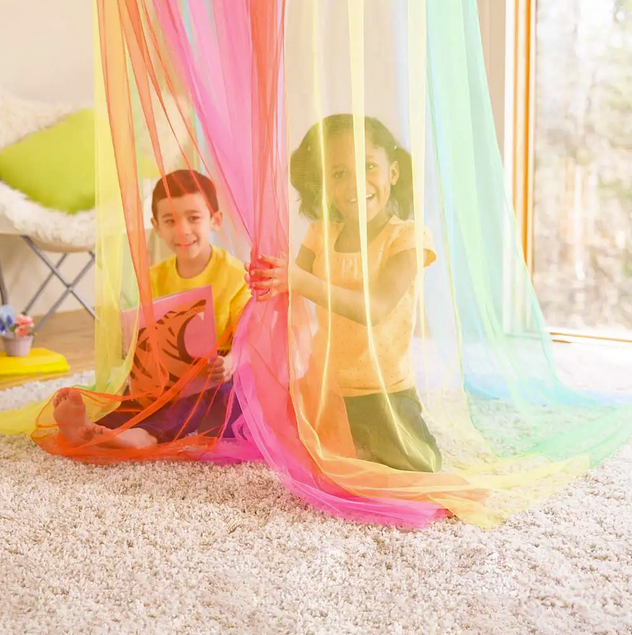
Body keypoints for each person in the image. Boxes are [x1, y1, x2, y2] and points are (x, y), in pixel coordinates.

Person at [247, 114, 441, 472]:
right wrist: (269, 277)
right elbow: (288, 291)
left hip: (384, 388)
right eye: (339, 174)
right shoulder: (321, 234)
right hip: (326, 386)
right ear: (326, 186)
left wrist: (299, 281)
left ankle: (366, 439)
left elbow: (376, 308)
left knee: (420, 468)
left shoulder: (407, 238)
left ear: (392, 174)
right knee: (278, 444)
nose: (356, 183)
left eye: (369, 166)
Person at [53, 170, 250, 449]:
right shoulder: (154, 277)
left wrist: (229, 363)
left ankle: (145, 436)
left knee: (215, 400)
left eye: (193, 218)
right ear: (156, 226)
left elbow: (250, 336)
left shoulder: (234, 275)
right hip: (168, 377)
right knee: (139, 396)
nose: (182, 230)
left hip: (217, 377)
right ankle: (97, 428)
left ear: (215, 220)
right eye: (170, 220)